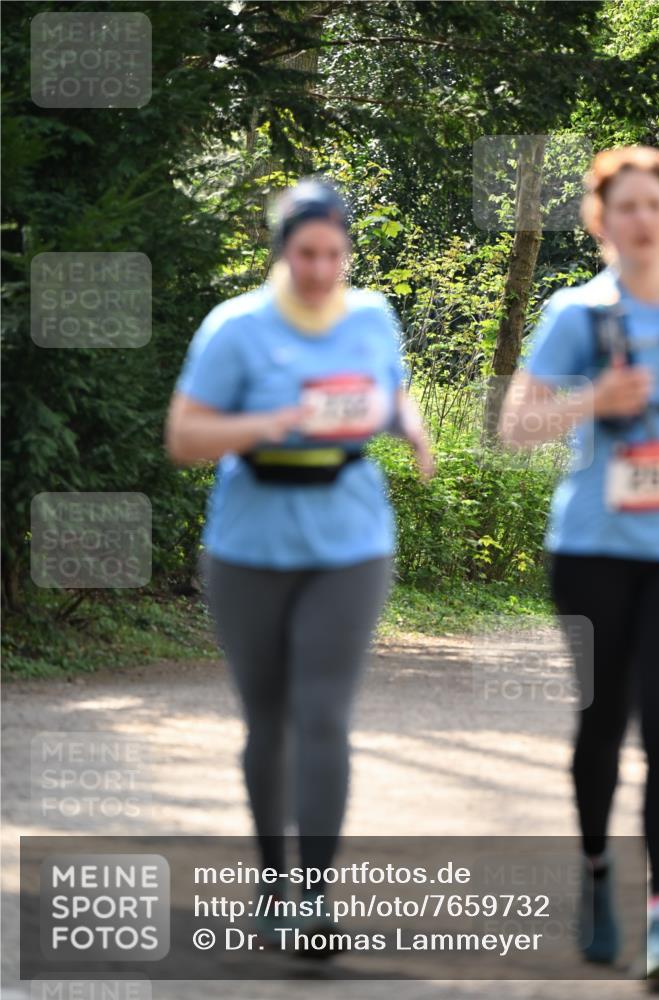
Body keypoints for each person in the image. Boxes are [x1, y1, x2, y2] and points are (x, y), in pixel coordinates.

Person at [165, 176, 435, 956]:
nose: (320, 269)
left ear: (346, 251)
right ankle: (272, 881)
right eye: (305, 253)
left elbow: (395, 392)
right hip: (248, 545)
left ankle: (312, 898)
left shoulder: (374, 316)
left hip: (350, 540)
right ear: (282, 251)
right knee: (268, 719)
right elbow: (184, 438)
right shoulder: (236, 329)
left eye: (333, 254)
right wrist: (271, 421)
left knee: (322, 712)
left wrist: (411, 430)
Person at [499, 146, 659, 981]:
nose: (642, 220)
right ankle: (598, 873)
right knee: (604, 721)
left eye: (655, 205)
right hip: (594, 549)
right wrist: (591, 401)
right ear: (601, 221)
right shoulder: (579, 314)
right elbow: (515, 427)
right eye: (626, 206)